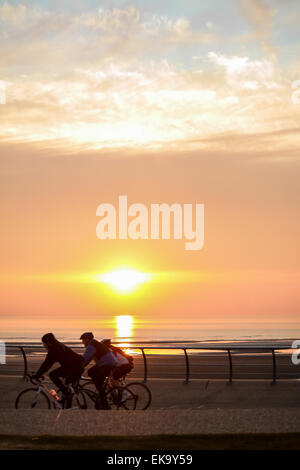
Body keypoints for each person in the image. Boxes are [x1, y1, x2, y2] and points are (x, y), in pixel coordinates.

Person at [33, 333, 85, 402]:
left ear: (48, 342)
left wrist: (38, 374)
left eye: (44, 343)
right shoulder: (57, 345)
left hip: (74, 367)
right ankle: (66, 398)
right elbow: (47, 364)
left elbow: (47, 364)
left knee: (53, 375)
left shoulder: (54, 349)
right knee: (66, 385)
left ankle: (66, 393)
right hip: (74, 366)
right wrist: (39, 373)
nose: (44, 345)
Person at [80, 332, 118, 402]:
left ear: (87, 339)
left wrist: (78, 366)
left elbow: (85, 358)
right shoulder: (96, 344)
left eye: (83, 340)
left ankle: (102, 396)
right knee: (98, 378)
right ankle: (103, 393)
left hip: (107, 364)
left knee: (91, 372)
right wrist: (82, 366)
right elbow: (88, 360)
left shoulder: (91, 346)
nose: (82, 342)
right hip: (110, 363)